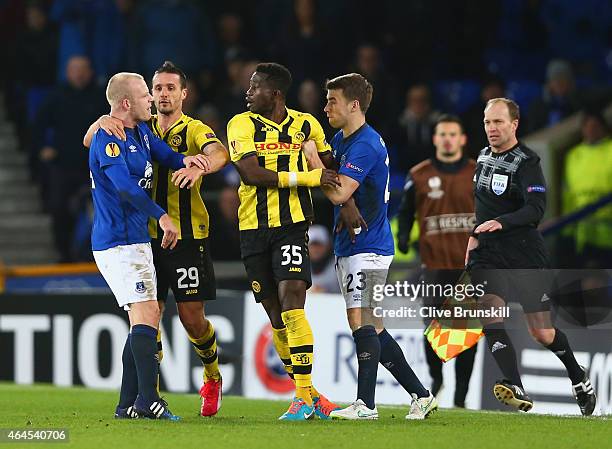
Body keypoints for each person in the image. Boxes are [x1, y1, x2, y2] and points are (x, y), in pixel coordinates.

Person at [84, 61, 230, 417]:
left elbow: (208, 153)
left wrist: (196, 163)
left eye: (166, 89)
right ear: (126, 104)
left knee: (177, 318)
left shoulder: (147, 131)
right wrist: (162, 215)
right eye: (152, 90)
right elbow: (122, 186)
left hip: (176, 235)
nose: (156, 97)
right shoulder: (112, 135)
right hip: (129, 238)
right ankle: (148, 399)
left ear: (183, 93)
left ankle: (130, 402)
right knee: (148, 315)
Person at [304, 73, 436, 420]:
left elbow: (338, 192)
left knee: (361, 320)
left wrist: (313, 161)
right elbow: (337, 174)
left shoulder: (365, 144)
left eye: (332, 100)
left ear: (354, 105)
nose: (326, 106)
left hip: (370, 246)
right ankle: (421, 396)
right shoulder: (344, 138)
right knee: (372, 325)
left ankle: (366, 405)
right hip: (353, 244)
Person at [465, 98, 596, 415]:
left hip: (524, 254)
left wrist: (503, 222)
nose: (492, 129)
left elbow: (536, 209)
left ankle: (578, 376)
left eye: (498, 122)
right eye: (487, 122)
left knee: (542, 332)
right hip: (489, 254)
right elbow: (482, 209)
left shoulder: (527, 162)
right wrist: (473, 235)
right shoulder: (482, 158)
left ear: (514, 124)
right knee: (489, 312)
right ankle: (514, 384)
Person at [227, 62, 340, 420]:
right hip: (253, 228)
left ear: (274, 93)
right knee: (275, 316)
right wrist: (310, 178)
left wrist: (324, 167)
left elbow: (329, 167)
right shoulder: (240, 124)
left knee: (292, 300)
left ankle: (302, 396)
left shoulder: (307, 124)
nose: (248, 92)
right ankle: (309, 394)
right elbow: (251, 173)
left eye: (255, 86)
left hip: (292, 225)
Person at [396, 114, 477, 408]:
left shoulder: (477, 172)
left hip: (469, 269)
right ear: (434, 139)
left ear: (463, 139)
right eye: (442, 134)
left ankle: (461, 397)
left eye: (453, 134)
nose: (447, 139)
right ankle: (437, 379)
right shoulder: (419, 174)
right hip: (434, 266)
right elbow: (405, 211)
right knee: (433, 328)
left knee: (467, 334)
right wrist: (404, 236)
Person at [33, 55, 107, 261]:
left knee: (102, 212)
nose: (79, 73)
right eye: (75, 69)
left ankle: (96, 255)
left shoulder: (101, 98)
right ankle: (63, 254)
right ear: (67, 72)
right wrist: (44, 147)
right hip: (64, 165)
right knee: (58, 208)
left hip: (95, 166)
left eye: (83, 69)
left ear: (90, 72)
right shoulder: (56, 96)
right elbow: (38, 125)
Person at [563, 109, 612, 268]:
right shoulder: (574, 155)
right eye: (587, 126)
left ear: (604, 128)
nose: (591, 130)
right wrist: (568, 231)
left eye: (595, 126)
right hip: (583, 231)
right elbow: (569, 193)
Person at [308, 224, 339, 293]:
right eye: (312, 245)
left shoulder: (338, 266)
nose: (315, 250)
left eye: (319, 245)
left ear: (327, 246)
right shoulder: (301, 267)